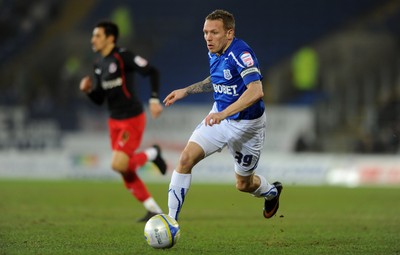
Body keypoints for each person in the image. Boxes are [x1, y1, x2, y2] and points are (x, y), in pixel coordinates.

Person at [163, 9, 282, 221]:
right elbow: (217, 79)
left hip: (247, 126)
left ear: (229, 33)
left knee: (243, 184)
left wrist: (224, 113)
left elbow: (256, 91)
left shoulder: (241, 53)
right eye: (205, 32)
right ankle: (171, 221)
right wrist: (186, 90)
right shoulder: (214, 52)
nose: (208, 38)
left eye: (214, 32)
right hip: (219, 117)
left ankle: (271, 192)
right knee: (185, 159)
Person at [79, 20, 167, 222]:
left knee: (119, 164)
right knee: (123, 168)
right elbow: (100, 99)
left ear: (110, 38)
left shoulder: (123, 56)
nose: (93, 40)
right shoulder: (99, 65)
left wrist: (154, 99)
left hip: (131, 117)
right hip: (114, 120)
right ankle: (153, 209)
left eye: (97, 36)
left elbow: (152, 71)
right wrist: (88, 91)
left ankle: (153, 153)